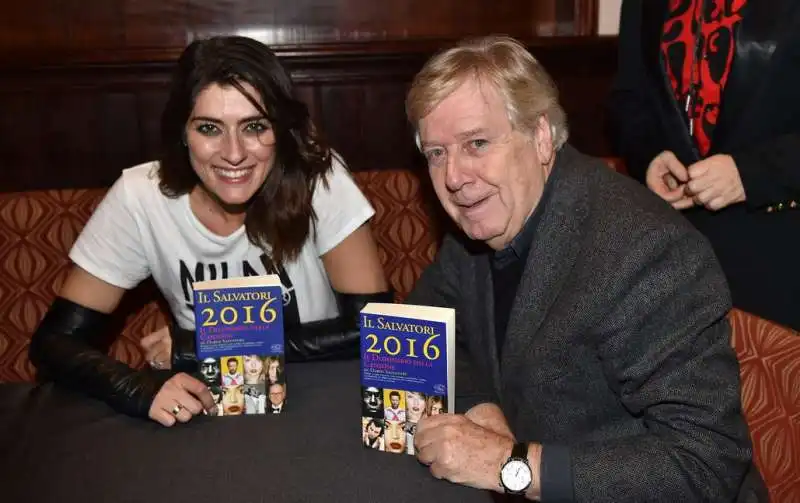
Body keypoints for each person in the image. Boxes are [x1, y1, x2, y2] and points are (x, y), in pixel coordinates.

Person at [404, 35, 766, 502]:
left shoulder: (643, 251)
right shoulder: (478, 225)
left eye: (476, 143)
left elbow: (704, 462)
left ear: (539, 137)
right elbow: (427, 326)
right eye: (437, 153)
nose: (454, 177)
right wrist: (482, 408)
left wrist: (508, 464)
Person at [28, 35, 391, 427]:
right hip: (212, 408)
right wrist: (138, 389)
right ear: (183, 132)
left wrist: (201, 345)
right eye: (209, 128)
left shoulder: (319, 178)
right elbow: (54, 344)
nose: (234, 154)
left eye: (254, 126)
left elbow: (374, 329)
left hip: (321, 397)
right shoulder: (141, 197)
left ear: (281, 130)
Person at [608, 0, 800, 330]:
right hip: (670, 247)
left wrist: (750, 173)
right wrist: (650, 155)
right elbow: (628, 97)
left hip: (779, 249)